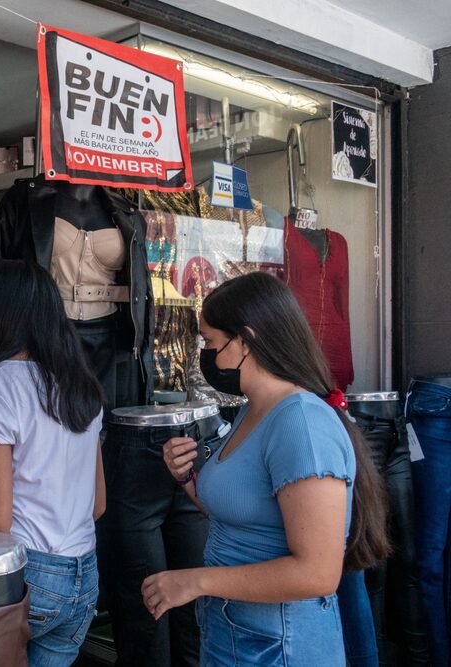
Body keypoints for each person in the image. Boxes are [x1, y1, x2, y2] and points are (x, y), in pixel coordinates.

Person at [144, 271, 389, 665]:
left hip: (279, 645)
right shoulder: (252, 410)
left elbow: (317, 574)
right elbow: (248, 517)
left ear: (244, 341)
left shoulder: (301, 424)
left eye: (209, 342)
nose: (203, 354)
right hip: (235, 631)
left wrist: (194, 581)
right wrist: (187, 476)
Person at [0, 260, 106, 666]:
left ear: (2, 312)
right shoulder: (81, 385)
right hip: (83, 578)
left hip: (28, 574)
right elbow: (97, 504)